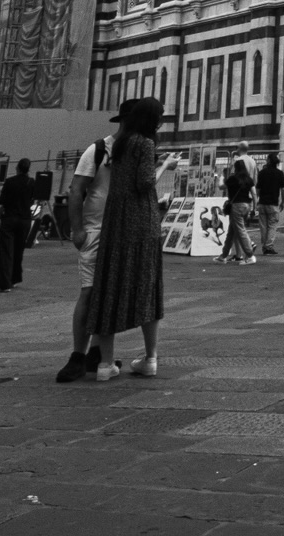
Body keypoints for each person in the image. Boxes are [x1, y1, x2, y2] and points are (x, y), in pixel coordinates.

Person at [80, 96, 166, 380]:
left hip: (115, 223)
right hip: (142, 222)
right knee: (148, 287)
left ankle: (105, 364)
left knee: (108, 288)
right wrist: (164, 166)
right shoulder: (145, 143)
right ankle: (150, 358)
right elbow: (144, 183)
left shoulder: (119, 144)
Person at [55, 133, 112, 382]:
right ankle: (78, 355)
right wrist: (77, 230)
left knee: (109, 294)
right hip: (94, 231)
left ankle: (98, 352)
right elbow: (76, 189)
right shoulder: (98, 150)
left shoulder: (135, 151)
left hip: (119, 234)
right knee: (89, 292)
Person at [0, 159, 37, 291]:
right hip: (25, 219)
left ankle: (5, 284)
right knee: (19, 250)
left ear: (17, 168)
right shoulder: (31, 182)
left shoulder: (9, 181)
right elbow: (33, 199)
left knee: (6, 251)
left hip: (9, 218)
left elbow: (2, 200)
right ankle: (15, 278)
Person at [220, 154, 257, 265]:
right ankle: (223, 255)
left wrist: (221, 178)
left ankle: (250, 255)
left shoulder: (231, 179)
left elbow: (221, 186)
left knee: (240, 230)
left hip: (236, 206)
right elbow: (254, 195)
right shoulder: (248, 179)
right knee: (232, 231)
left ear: (235, 168)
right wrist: (254, 209)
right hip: (247, 205)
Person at [256, 153, 284, 257]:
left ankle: (264, 246)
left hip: (262, 202)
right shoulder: (280, 173)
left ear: (268, 161)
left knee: (263, 226)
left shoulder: (262, 173)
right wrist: (282, 202)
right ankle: (269, 246)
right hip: (273, 203)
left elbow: (258, 189)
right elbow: (283, 189)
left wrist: (258, 198)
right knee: (272, 225)